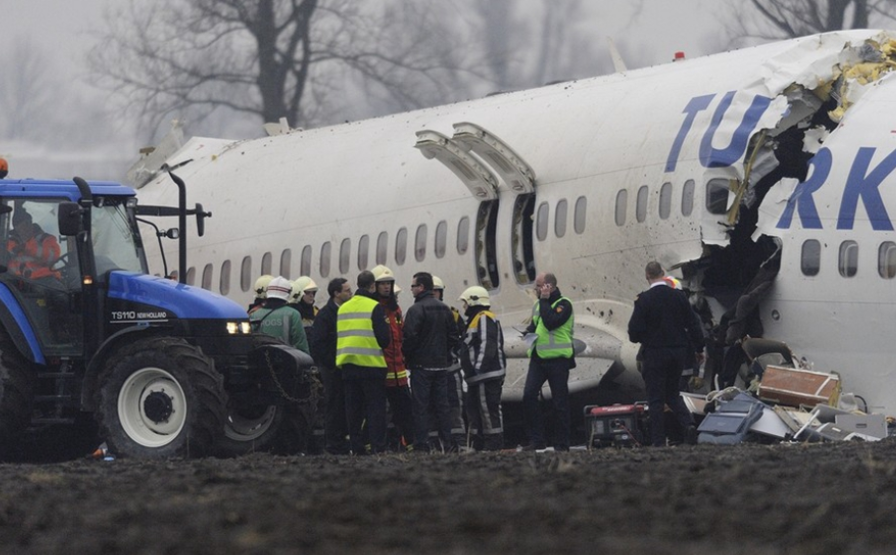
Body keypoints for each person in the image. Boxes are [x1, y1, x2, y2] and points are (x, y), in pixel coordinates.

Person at [627, 261, 705, 447]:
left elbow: (633, 332)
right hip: (677, 353)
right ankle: (689, 425)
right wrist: (699, 348)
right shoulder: (678, 297)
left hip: (655, 354)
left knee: (655, 398)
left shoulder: (644, 300)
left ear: (647, 276)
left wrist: (645, 338)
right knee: (672, 394)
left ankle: (658, 441)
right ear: (663, 273)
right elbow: (693, 324)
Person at [403, 271, 460, 453]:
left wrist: (408, 356)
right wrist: (442, 353)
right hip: (441, 365)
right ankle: (448, 442)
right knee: (442, 405)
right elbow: (453, 336)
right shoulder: (445, 309)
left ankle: (422, 444)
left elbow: (410, 338)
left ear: (421, 288)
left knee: (421, 407)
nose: (411, 289)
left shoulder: (415, 310)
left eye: (413, 286)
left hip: (421, 366)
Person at [336, 270, 391, 455]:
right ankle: (378, 447)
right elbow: (384, 340)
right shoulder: (374, 307)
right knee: (375, 410)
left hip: (349, 366)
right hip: (371, 365)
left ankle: (356, 447)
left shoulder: (343, 308)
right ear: (372, 286)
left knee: (353, 411)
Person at [522, 272, 575, 451]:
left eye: (538, 286)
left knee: (560, 403)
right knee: (529, 395)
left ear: (549, 287)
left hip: (558, 360)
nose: (535, 289)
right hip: (538, 359)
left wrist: (544, 300)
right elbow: (537, 324)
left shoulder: (564, 304)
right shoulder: (539, 305)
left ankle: (562, 443)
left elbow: (551, 321)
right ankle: (537, 439)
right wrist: (527, 332)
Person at [371, 264, 415, 451]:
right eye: (382, 284)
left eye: (389, 283)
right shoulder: (374, 309)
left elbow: (400, 337)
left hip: (399, 372)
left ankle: (409, 444)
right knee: (382, 413)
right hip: (382, 370)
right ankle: (385, 444)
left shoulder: (395, 310)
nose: (387, 287)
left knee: (405, 411)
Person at [458, 286, 506, 451]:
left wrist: (478, 368)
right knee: (474, 411)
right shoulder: (474, 320)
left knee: (488, 409)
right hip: (476, 378)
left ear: (473, 301)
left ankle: (494, 442)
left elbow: (488, 344)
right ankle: (478, 443)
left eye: (465, 303)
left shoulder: (484, 317)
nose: (464, 307)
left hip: (486, 376)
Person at [309, 277, 353, 455]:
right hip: (333, 369)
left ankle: (342, 440)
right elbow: (318, 343)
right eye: (347, 290)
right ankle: (334, 442)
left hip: (345, 367)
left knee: (345, 405)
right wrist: (332, 364)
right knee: (334, 405)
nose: (351, 293)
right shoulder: (326, 315)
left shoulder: (347, 311)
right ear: (336, 293)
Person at [432, 275, 467, 447]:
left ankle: (459, 442)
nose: (434, 295)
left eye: (436, 291)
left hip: (451, 369)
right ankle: (434, 444)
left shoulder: (453, 314)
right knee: (431, 408)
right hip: (431, 371)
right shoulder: (418, 312)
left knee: (454, 406)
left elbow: (462, 338)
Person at [249, 276, 310, 354]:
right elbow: (301, 344)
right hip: (286, 360)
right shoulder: (293, 314)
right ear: (288, 293)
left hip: (261, 360)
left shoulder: (255, 314)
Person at [7, 207, 62, 282]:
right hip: (20, 284)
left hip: (46, 280)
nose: (23, 230)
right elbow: (7, 268)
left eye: (26, 224)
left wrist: (27, 248)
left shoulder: (45, 239)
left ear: (31, 223)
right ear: (16, 229)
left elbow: (52, 256)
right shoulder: (10, 244)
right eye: (19, 228)